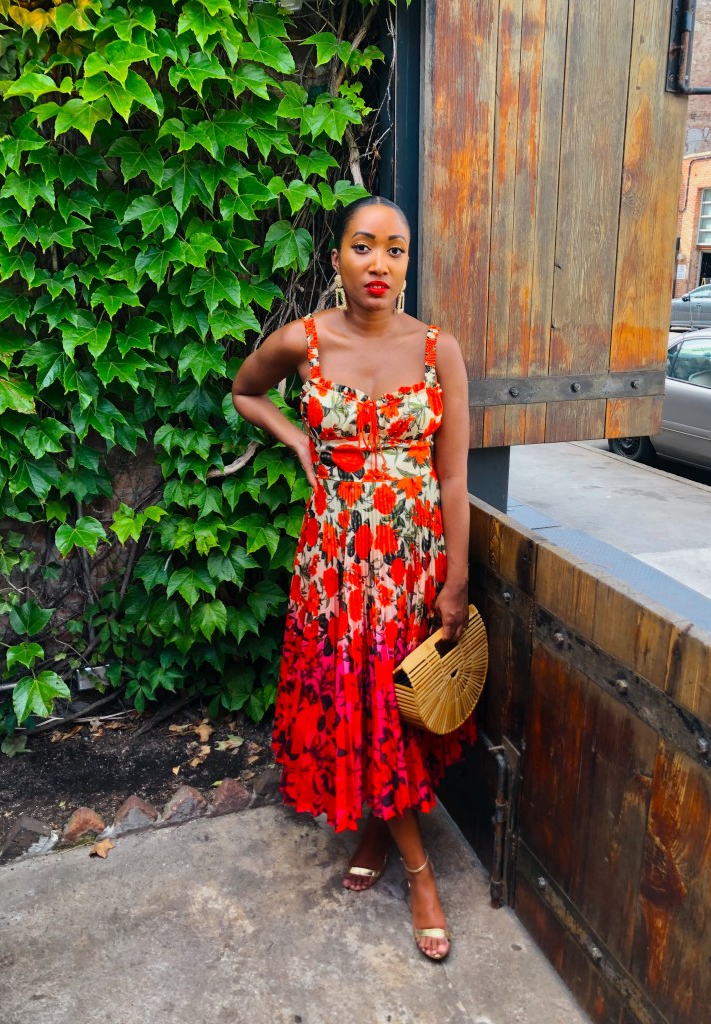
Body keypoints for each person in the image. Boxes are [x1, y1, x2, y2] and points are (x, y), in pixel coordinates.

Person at [232, 195, 474, 961]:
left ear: (407, 263)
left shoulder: (439, 350)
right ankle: (420, 872)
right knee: (360, 702)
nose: (379, 263)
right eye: (363, 246)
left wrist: (457, 577)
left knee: (397, 709)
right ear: (337, 256)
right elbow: (244, 390)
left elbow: (454, 477)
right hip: (334, 569)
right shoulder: (303, 341)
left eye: (395, 250)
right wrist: (298, 438)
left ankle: (380, 831)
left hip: (410, 568)